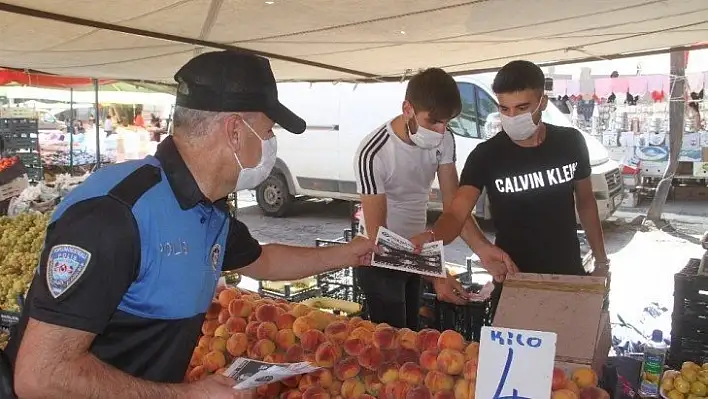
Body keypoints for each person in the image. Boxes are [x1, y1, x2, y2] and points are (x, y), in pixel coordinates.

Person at [5, 51, 375, 399]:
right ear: (234, 130)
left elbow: (263, 261)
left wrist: (349, 253)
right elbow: (41, 375)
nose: (270, 144)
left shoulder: (208, 207)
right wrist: (185, 395)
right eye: (267, 131)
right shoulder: (115, 215)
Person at [411, 60, 609, 283]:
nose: (513, 117)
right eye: (505, 109)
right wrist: (432, 237)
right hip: (512, 275)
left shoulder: (571, 142)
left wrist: (601, 260)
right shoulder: (486, 155)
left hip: (568, 271)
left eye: (522, 108)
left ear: (542, 103)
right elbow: (457, 214)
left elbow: (586, 202)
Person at [353, 68, 516, 330]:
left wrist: (483, 248)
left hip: (420, 251)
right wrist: (434, 272)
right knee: (391, 339)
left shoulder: (444, 139)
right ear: (408, 109)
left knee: (412, 335)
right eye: (433, 122)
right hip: (380, 261)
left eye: (447, 123)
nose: (441, 131)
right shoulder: (373, 153)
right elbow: (378, 238)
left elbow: (455, 210)